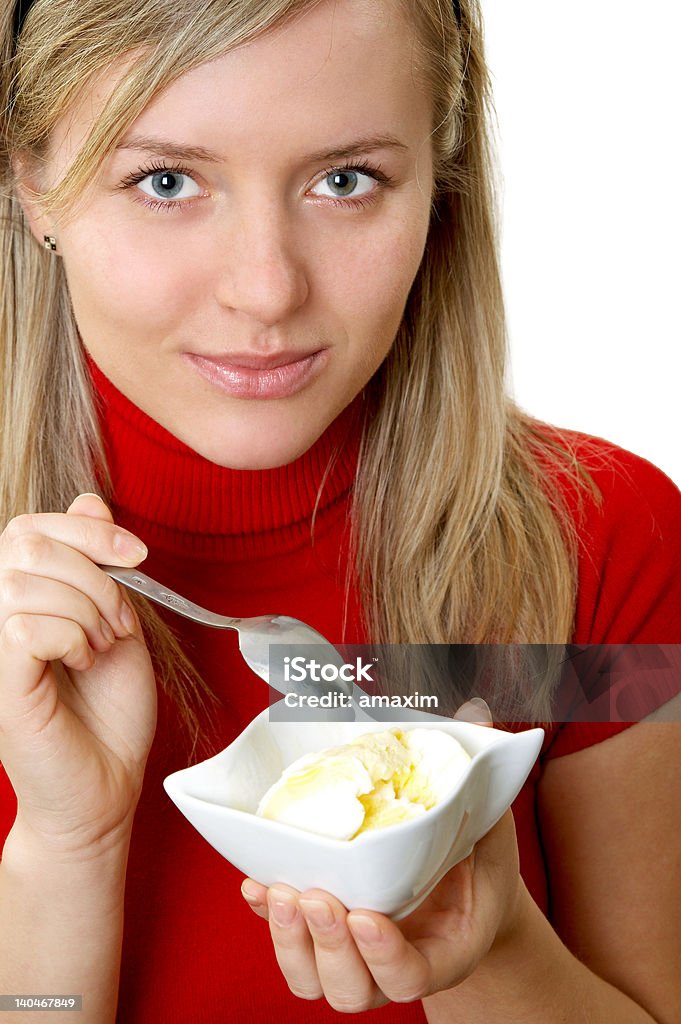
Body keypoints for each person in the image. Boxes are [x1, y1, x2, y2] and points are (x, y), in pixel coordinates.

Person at [1, 1, 679, 1022]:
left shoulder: (609, 541)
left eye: (344, 181)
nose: (266, 290)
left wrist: (489, 948)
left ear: (438, 185)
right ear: (32, 186)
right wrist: (68, 846)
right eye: (167, 182)